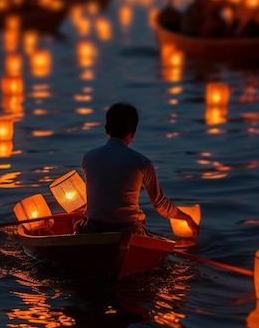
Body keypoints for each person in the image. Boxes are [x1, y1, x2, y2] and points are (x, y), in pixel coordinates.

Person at [76, 102, 200, 237]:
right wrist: (187, 218)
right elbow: (160, 204)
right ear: (133, 133)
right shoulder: (141, 162)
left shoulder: (88, 157)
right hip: (129, 231)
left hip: (93, 229)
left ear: (106, 129)